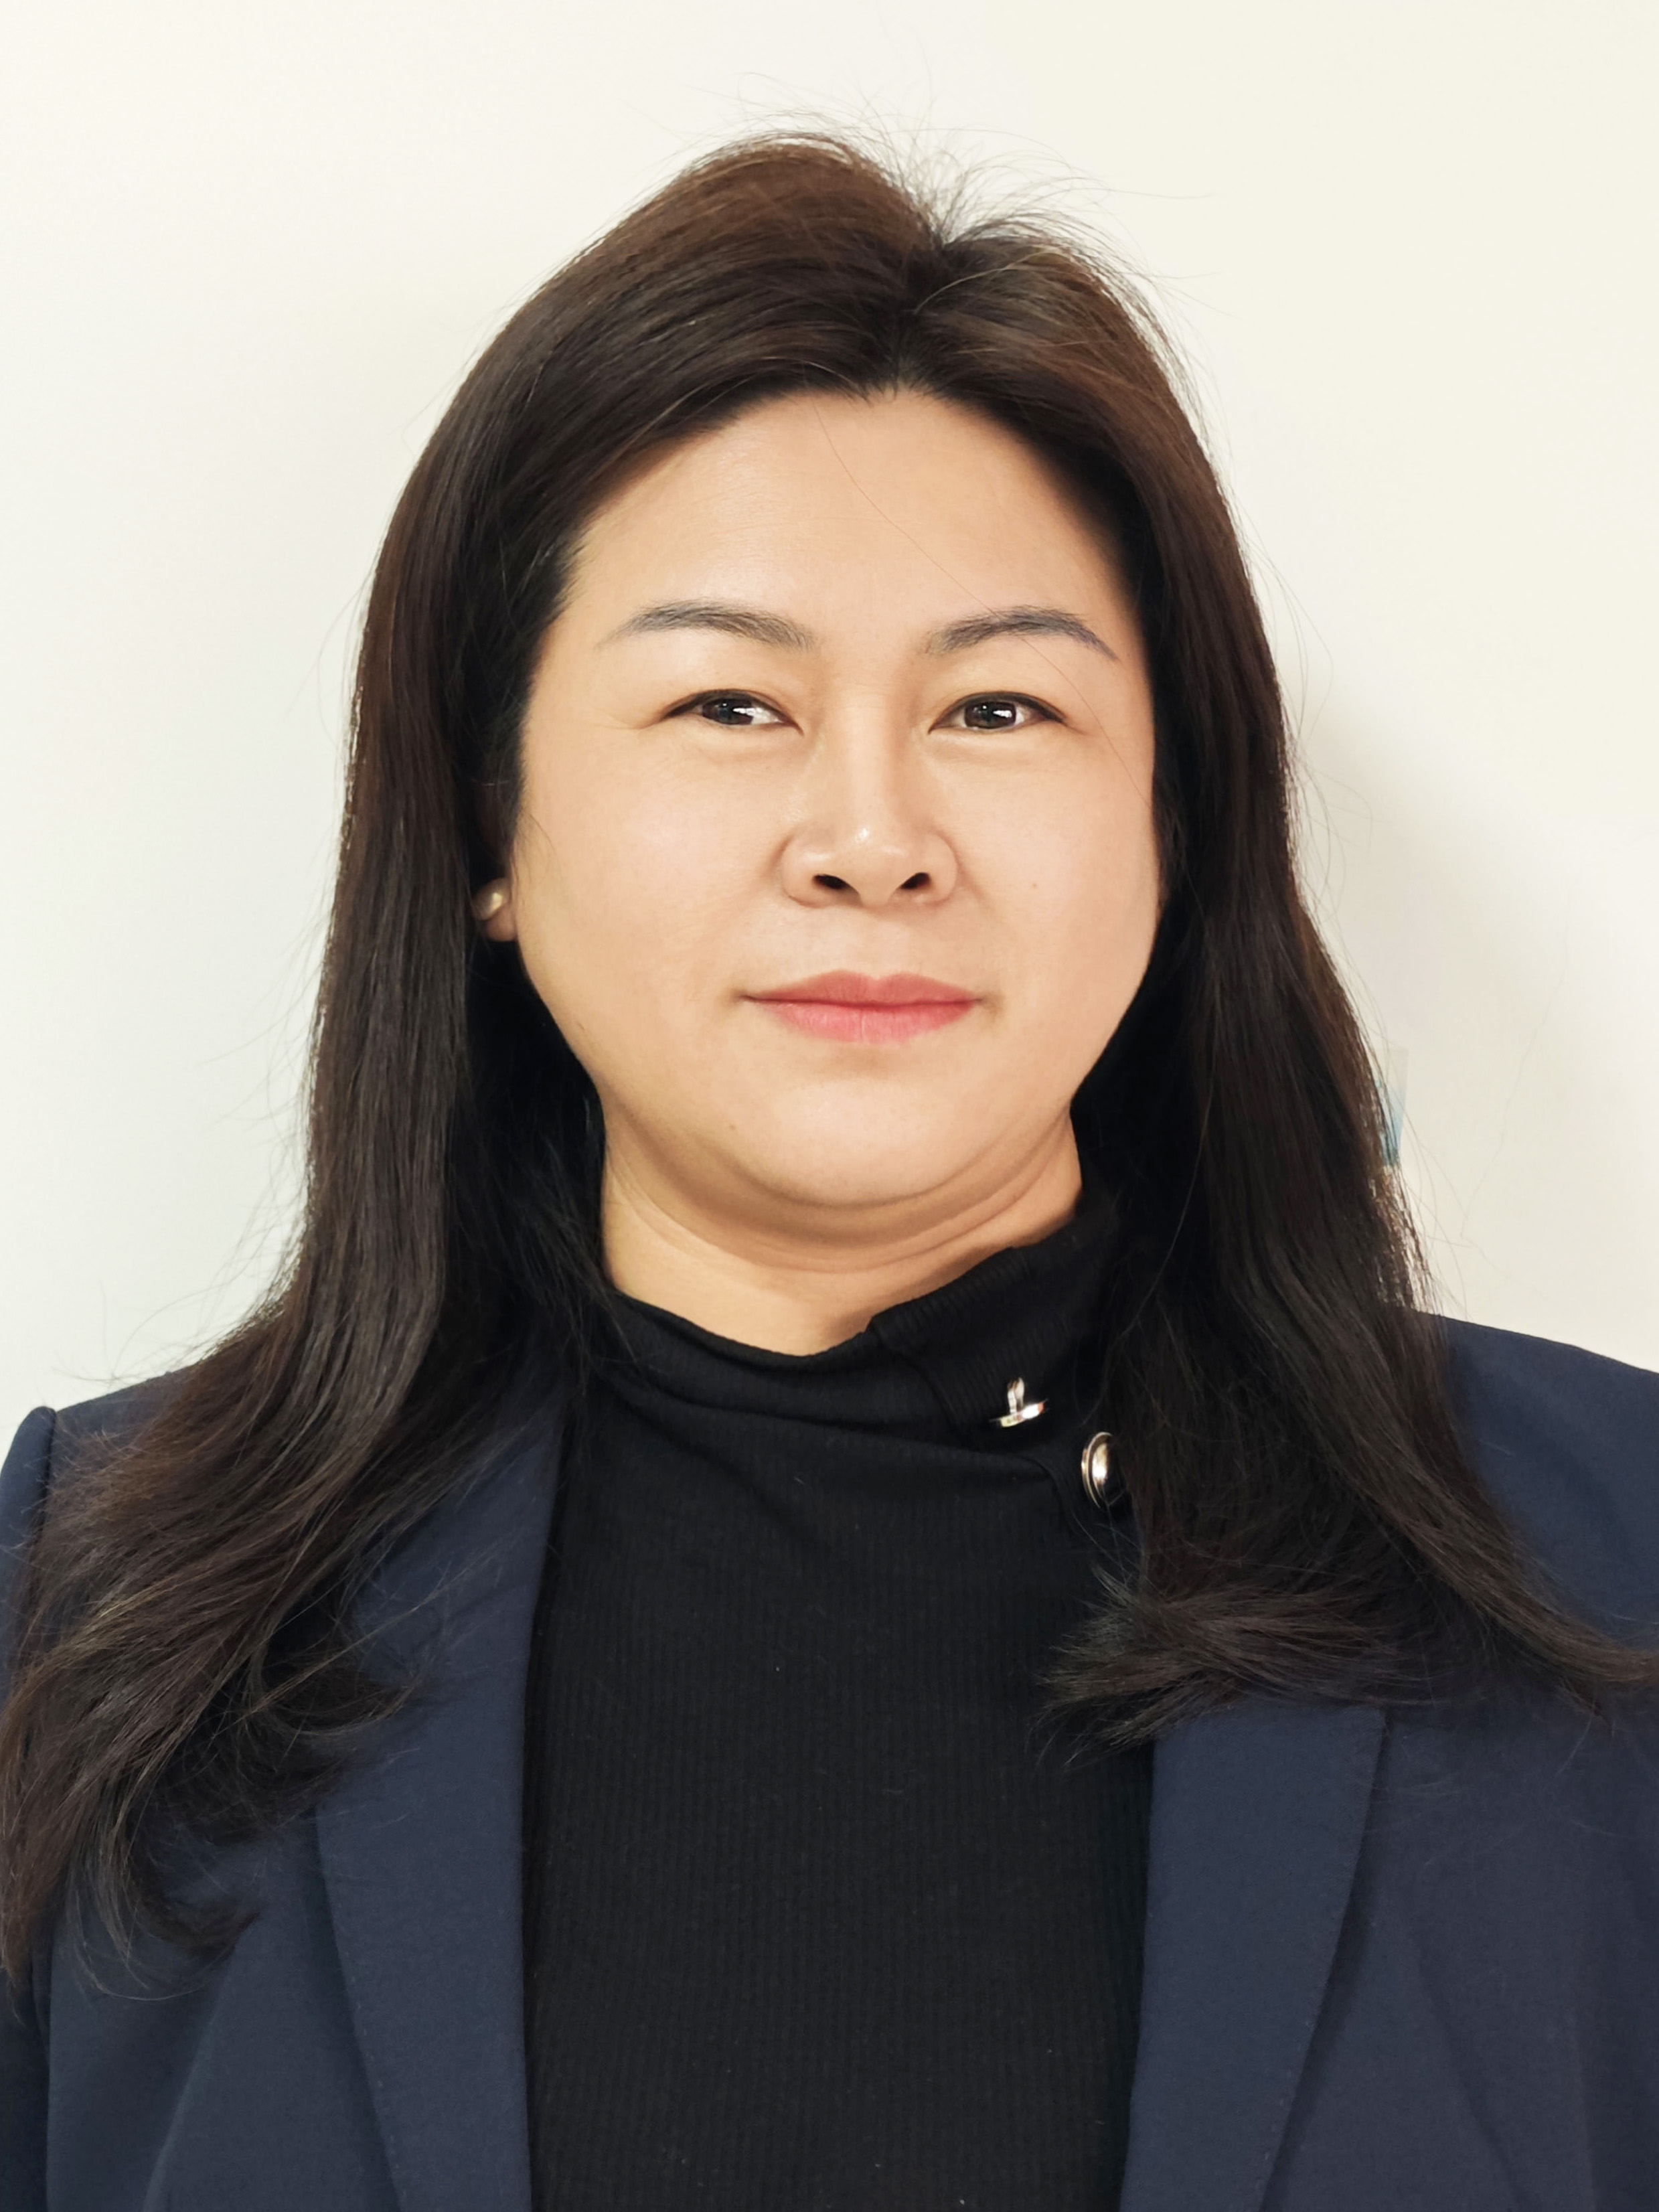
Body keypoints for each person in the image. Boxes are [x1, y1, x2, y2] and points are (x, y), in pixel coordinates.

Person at [2, 133, 1657, 2212]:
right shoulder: (92, 1603)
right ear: (489, 823)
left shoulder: (1612, 1559)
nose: (872, 838)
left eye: (997, 706)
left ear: (1176, 820)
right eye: (728, 702)